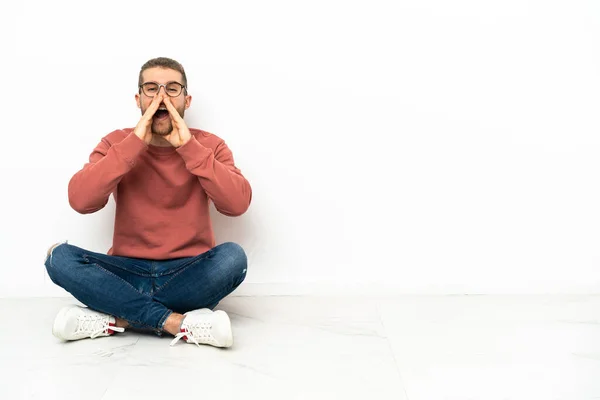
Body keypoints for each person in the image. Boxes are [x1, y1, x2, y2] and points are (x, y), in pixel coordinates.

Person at [44, 57, 252, 348]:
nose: (162, 97)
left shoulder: (210, 145)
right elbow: (81, 200)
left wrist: (188, 147)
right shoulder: (116, 142)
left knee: (233, 259)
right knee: (58, 257)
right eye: (152, 89)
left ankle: (117, 319)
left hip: (187, 272)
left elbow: (237, 204)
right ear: (138, 98)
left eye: (172, 88)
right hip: (126, 271)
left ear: (187, 99)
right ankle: (176, 322)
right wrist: (134, 143)